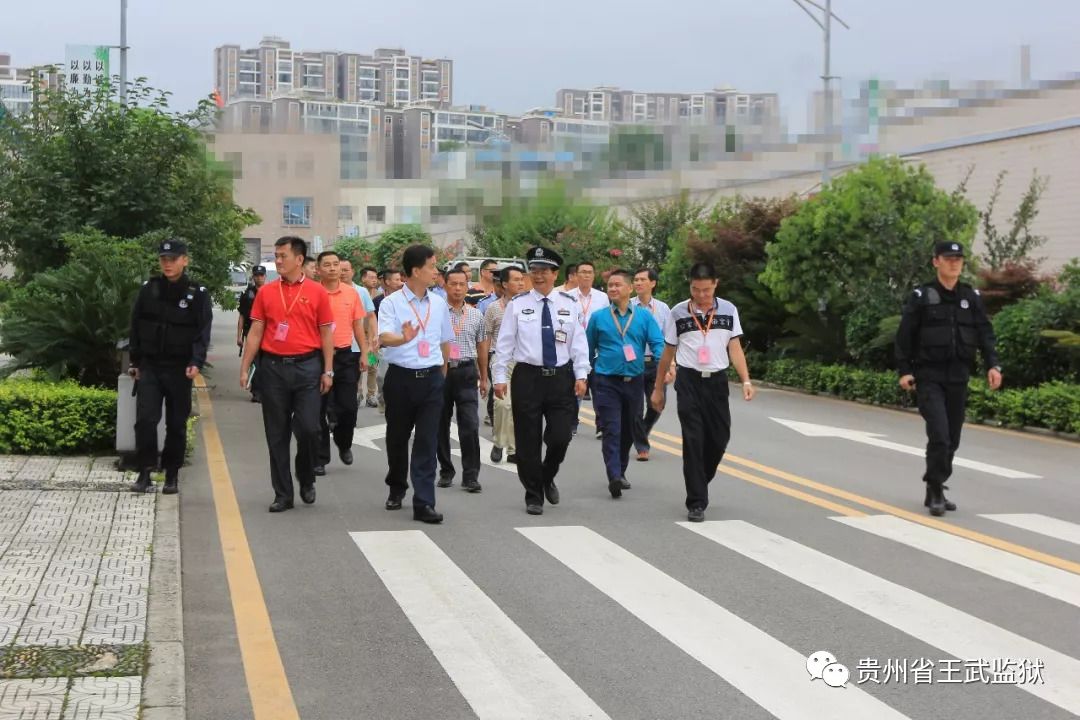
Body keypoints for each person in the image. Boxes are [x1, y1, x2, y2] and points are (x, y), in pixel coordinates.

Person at [895, 241, 1002, 516]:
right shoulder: (922, 295)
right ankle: (934, 489)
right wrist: (905, 370)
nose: (954, 263)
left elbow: (984, 333)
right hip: (929, 375)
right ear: (936, 262)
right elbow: (905, 336)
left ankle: (938, 482)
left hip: (958, 376)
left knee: (952, 438)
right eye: (948, 258)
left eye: (958, 259)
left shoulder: (971, 296)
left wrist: (993, 365)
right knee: (940, 434)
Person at [651, 262, 755, 523]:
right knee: (694, 439)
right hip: (688, 381)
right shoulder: (677, 313)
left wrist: (745, 380)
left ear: (715, 285)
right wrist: (658, 389)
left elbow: (735, 348)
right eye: (696, 290)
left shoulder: (729, 310)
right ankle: (696, 501)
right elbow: (667, 354)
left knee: (720, 438)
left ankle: (700, 480)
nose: (701, 296)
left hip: (717, 382)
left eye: (706, 290)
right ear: (690, 286)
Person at [240, 236, 335, 513]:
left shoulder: (317, 292)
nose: (278, 261)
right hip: (273, 369)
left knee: (309, 429)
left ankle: (305, 477)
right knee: (276, 434)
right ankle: (283, 493)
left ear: (299, 259)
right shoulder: (267, 292)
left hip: (308, 367)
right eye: (276, 256)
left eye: (283, 256)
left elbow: (326, 333)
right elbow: (256, 331)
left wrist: (328, 369)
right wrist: (246, 367)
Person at [494, 246, 590, 516]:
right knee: (527, 441)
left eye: (544, 271)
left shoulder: (569, 305)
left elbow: (579, 344)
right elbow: (504, 344)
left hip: (560, 378)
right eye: (534, 271)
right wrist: (499, 377)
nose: (538, 276)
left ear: (555, 274)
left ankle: (547, 475)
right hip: (528, 377)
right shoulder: (518, 305)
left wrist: (582, 374)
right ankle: (533, 493)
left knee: (560, 437)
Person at [128, 240, 212, 495]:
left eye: (173, 259)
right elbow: (136, 326)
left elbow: (202, 331)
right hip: (151, 367)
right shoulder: (149, 289)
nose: (167, 263)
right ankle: (145, 471)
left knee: (176, 423)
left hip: (179, 368)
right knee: (145, 420)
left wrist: (196, 362)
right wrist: (134, 361)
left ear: (184, 260)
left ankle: (171, 474)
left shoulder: (197, 293)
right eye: (164, 259)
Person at [378, 245, 454, 524]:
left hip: (431, 379)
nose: (437, 271)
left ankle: (424, 503)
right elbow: (384, 337)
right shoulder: (391, 303)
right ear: (415, 271)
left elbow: (445, 340)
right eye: (432, 266)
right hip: (400, 379)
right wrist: (403, 339)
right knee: (397, 438)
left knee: (426, 441)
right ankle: (396, 486)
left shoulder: (438, 303)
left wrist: (442, 373)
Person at [587, 269, 665, 498]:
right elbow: (586, 348)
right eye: (610, 285)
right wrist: (583, 375)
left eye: (617, 285)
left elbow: (658, 343)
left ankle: (620, 471)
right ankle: (613, 475)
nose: (612, 289)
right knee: (612, 428)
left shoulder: (643, 317)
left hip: (634, 380)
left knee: (630, 428)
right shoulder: (598, 317)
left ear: (629, 288)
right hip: (606, 380)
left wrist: (666, 366)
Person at [315, 251, 369, 475]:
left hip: (346, 356)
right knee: (318, 409)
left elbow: (359, 326)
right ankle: (320, 458)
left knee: (348, 408)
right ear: (318, 270)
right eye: (326, 265)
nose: (332, 268)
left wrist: (366, 354)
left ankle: (344, 442)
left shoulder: (352, 293)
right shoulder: (312, 292)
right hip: (316, 356)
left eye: (335, 264)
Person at [436, 267, 489, 493]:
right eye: (453, 284)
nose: (457, 288)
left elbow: (482, 346)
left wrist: (484, 376)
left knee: (469, 425)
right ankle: (446, 471)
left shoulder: (476, 315)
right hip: (441, 372)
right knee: (440, 424)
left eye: (462, 284)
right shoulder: (437, 313)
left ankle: (471, 476)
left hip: (467, 372)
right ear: (445, 285)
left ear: (468, 286)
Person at [630, 268, 673, 460]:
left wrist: (671, 366)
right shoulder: (627, 306)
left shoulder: (663, 309)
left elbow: (670, 340)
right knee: (635, 408)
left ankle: (642, 431)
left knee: (658, 404)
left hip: (656, 364)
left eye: (642, 279)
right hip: (633, 363)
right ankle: (641, 446)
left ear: (652, 283)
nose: (638, 283)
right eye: (636, 280)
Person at [485, 264, 525, 463]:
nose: (521, 283)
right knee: (502, 404)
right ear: (505, 284)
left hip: (523, 362)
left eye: (521, 279)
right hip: (501, 360)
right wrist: (482, 370)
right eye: (516, 279)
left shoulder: (528, 306)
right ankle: (499, 442)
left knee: (517, 407)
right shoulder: (493, 308)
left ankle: (512, 449)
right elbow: (486, 338)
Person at [571, 261, 609, 436]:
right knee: (575, 387)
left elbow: (607, 322)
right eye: (583, 272)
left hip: (596, 350)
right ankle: (572, 422)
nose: (586, 275)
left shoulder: (602, 298)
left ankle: (601, 424)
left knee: (599, 388)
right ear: (576, 275)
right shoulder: (568, 296)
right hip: (575, 349)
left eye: (589, 272)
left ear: (594, 275)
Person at [237, 265, 267, 402]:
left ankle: (266, 390)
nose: (259, 278)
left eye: (261, 275)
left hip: (268, 333)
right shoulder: (248, 294)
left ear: (265, 276)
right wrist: (239, 336)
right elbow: (242, 316)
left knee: (266, 363)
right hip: (251, 332)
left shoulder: (270, 292)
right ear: (253, 276)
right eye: (257, 275)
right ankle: (256, 391)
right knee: (255, 363)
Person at [358, 265, 382, 407]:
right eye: (370, 277)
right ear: (363, 278)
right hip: (358, 338)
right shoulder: (357, 293)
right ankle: (358, 392)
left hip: (372, 338)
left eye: (375, 278)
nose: (374, 280)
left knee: (372, 365)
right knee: (358, 366)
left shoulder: (379, 295)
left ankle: (371, 395)